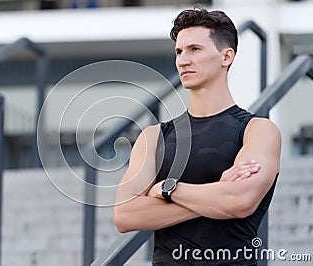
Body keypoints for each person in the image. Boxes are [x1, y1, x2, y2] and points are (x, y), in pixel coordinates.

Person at [113, 5, 281, 265]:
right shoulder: (154, 137)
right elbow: (125, 216)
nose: (182, 60)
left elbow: (239, 201)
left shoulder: (258, 130)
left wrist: (167, 188)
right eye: (179, 51)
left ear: (226, 57)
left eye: (195, 50)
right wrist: (216, 193)